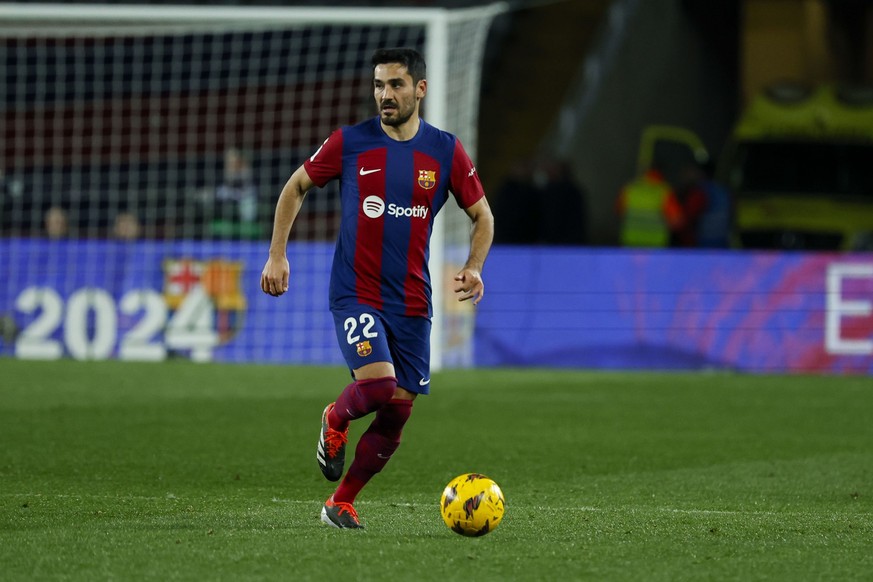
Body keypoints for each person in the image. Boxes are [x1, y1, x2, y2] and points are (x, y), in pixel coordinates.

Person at [260, 48, 494, 529]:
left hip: (412, 299)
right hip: (356, 291)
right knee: (379, 385)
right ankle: (335, 419)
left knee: (396, 414)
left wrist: (474, 266)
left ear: (420, 90)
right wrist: (277, 254)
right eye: (379, 86)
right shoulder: (351, 142)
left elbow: (482, 216)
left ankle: (340, 503)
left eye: (396, 85)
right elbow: (296, 186)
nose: (385, 95)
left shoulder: (446, 151)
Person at [616, 164, 684, 247]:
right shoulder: (664, 192)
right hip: (656, 244)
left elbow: (619, 211)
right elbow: (676, 221)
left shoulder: (630, 189)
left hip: (630, 242)